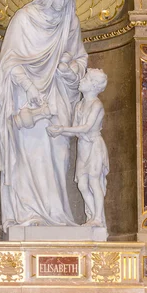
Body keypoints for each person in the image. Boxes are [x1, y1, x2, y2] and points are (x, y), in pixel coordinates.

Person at [0, 0, 88, 231]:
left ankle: (57, 214)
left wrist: (70, 71)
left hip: (57, 95)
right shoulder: (23, 19)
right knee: (30, 155)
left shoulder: (70, 23)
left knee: (59, 155)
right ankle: (28, 214)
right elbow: (9, 61)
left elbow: (79, 58)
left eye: (67, 0)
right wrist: (30, 86)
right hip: (26, 99)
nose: (62, 4)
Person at [47, 69, 109, 228]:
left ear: (93, 86)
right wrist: (59, 130)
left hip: (94, 146)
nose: (81, 80)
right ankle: (92, 215)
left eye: (86, 78)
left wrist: (61, 129)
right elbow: (75, 128)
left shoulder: (96, 104)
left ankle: (98, 218)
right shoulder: (80, 104)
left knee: (94, 181)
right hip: (83, 147)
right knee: (82, 184)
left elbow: (86, 127)